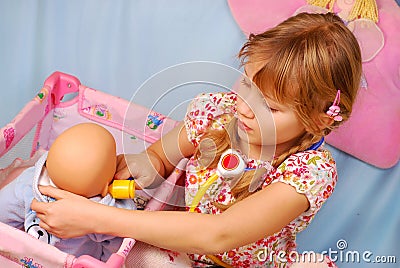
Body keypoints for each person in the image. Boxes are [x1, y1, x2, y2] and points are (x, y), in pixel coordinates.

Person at [31, 12, 362, 267]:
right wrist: (142, 169)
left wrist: (96, 219)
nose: (244, 107)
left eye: (270, 107)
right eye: (246, 84)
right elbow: (159, 158)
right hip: (184, 249)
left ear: (319, 119)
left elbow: (219, 234)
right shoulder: (216, 114)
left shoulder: (308, 171)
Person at [0, 123, 136, 262]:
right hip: (75, 263)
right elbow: (115, 249)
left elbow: (4, 208)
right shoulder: (109, 211)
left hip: (26, 257)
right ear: (106, 187)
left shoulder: (30, 182)